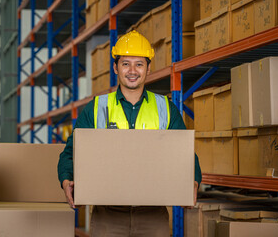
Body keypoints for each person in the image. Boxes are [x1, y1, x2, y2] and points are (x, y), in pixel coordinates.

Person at [58, 30, 202, 237]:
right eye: (125, 64)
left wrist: (193, 180)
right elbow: (71, 153)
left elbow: (185, 154)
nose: (132, 70)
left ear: (148, 68)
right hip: (108, 216)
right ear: (116, 68)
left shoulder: (165, 108)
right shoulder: (97, 108)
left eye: (139, 64)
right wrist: (66, 179)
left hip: (153, 216)